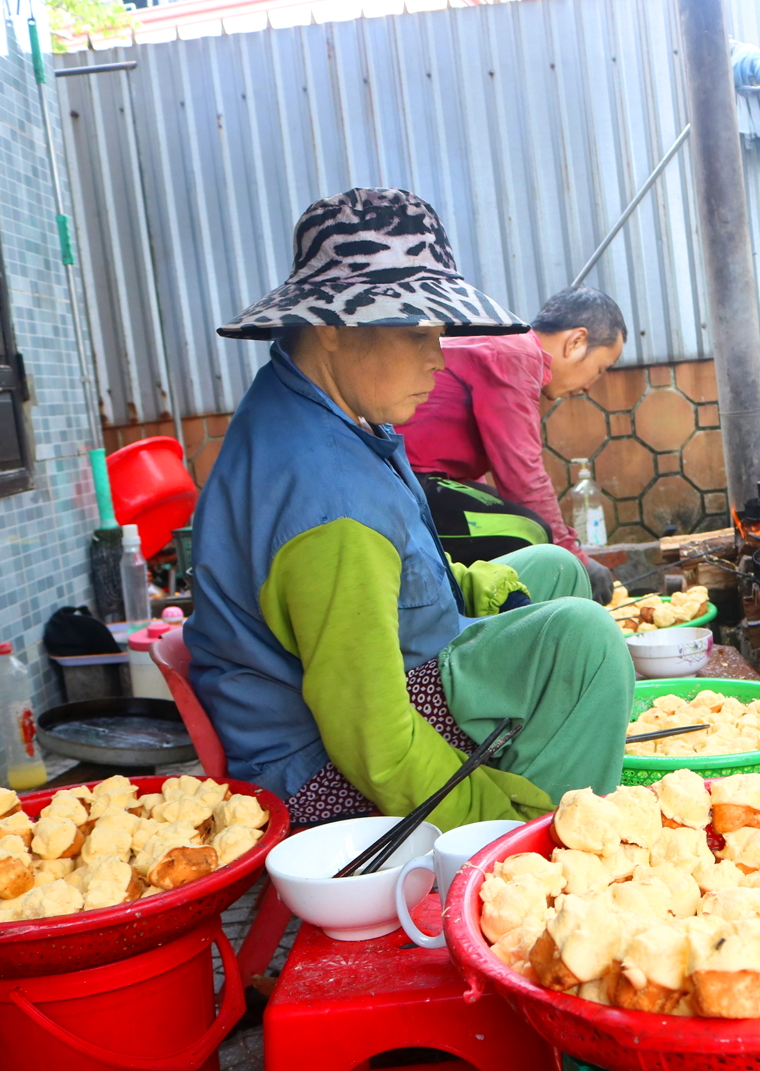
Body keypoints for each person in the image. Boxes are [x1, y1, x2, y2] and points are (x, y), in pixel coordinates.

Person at [183, 188, 633, 829]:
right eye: (418, 334)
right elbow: (372, 736)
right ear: (331, 329)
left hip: (367, 679)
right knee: (583, 640)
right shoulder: (329, 503)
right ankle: (548, 849)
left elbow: (406, 576)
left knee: (550, 571)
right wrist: (495, 820)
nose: (437, 358)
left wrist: (491, 588)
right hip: (318, 770)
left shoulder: (312, 408)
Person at [398, 286, 627, 600]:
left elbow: (475, 484)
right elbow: (523, 475)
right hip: (403, 483)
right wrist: (576, 560)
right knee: (531, 531)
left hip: (420, 479)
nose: (590, 386)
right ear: (576, 341)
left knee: (515, 519)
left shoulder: (506, 345)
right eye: (600, 369)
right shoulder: (516, 352)